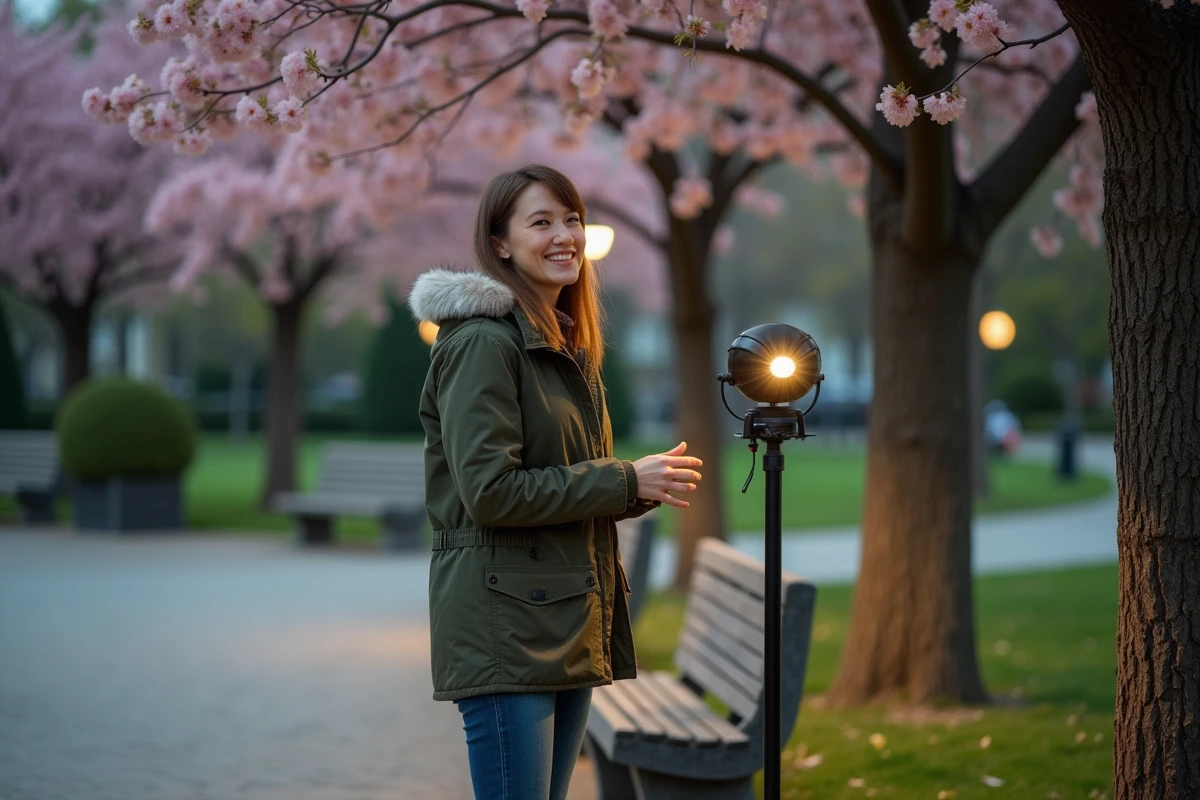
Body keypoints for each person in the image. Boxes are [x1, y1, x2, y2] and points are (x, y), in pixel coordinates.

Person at [408, 164, 703, 800]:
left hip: (560, 619)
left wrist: (635, 487)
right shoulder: (484, 343)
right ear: (500, 243)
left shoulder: (560, 342)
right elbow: (491, 493)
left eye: (572, 219)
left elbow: (560, 480)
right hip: (506, 625)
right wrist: (624, 479)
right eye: (541, 222)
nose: (565, 235)